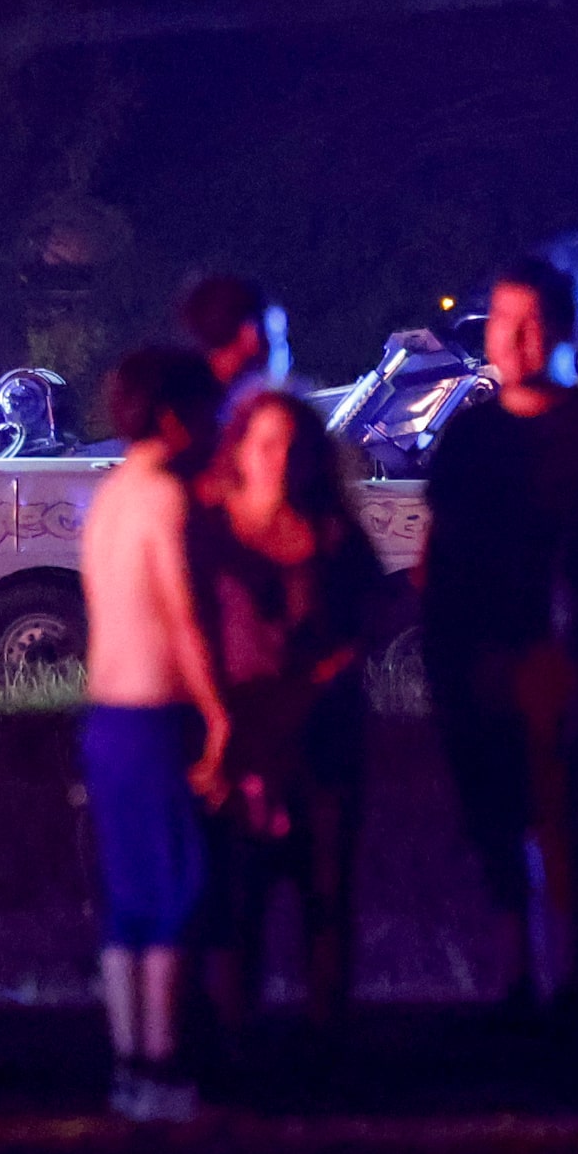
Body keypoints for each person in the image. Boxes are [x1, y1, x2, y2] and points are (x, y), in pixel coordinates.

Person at [420, 254, 578, 1035]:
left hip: (572, 667)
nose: (511, 340)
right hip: (475, 658)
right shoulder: (470, 434)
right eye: (502, 322)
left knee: (572, 825)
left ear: (568, 330)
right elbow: (442, 546)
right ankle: (517, 980)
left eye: (531, 323)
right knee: (494, 820)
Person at [190, 389, 382, 1049]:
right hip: (238, 741)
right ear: (240, 450)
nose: (279, 458)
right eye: (265, 442)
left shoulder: (334, 536)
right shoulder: (211, 535)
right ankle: (234, 1040)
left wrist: (311, 684)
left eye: (291, 445)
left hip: (323, 746)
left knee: (325, 896)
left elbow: (362, 627)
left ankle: (328, 1043)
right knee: (236, 898)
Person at [80, 345, 232, 1121]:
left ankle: (130, 1067)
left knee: (127, 902)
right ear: (176, 416)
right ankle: (166, 1069)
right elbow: (183, 615)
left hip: (104, 720)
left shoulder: (111, 495)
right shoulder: (165, 499)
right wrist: (219, 715)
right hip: (155, 719)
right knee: (177, 892)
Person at [179, 273, 290, 407]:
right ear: (250, 331)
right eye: (277, 337)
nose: (286, 352)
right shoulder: (257, 411)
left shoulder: (182, 395)